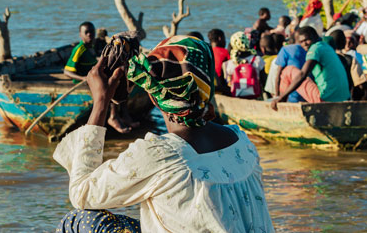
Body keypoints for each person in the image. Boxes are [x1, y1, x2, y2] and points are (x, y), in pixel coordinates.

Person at [53, 36, 275, 233]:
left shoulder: (161, 155)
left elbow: (82, 193)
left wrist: (100, 103)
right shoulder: (241, 143)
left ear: (155, 95)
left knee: (80, 219)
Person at [63, 22, 136, 134]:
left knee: (121, 83)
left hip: (94, 78)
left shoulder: (91, 47)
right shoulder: (79, 49)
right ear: (80, 35)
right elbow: (67, 71)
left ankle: (124, 116)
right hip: (87, 81)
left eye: (91, 32)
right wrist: (83, 78)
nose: (89, 35)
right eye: (86, 32)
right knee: (113, 87)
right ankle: (113, 117)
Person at [270, 26, 350, 110]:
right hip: (343, 97)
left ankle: (281, 101)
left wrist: (282, 96)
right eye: (301, 41)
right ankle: (283, 99)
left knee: (288, 70)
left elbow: (303, 74)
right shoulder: (325, 46)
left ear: (315, 37)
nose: (305, 43)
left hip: (325, 99)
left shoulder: (315, 48)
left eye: (307, 40)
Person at [264, 32, 319, 103]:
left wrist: (278, 97)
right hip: (309, 95)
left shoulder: (285, 50)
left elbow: (278, 76)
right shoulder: (310, 50)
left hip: (290, 96)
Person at [225, 32, 265, 99]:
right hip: (255, 96)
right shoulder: (257, 60)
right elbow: (263, 80)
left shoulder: (229, 64)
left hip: (236, 96)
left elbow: (228, 83)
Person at [208, 29, 231, 94]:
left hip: (208, 84)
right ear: (220, 38)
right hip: (220, 85)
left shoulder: (207, 51)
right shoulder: (225, 52)